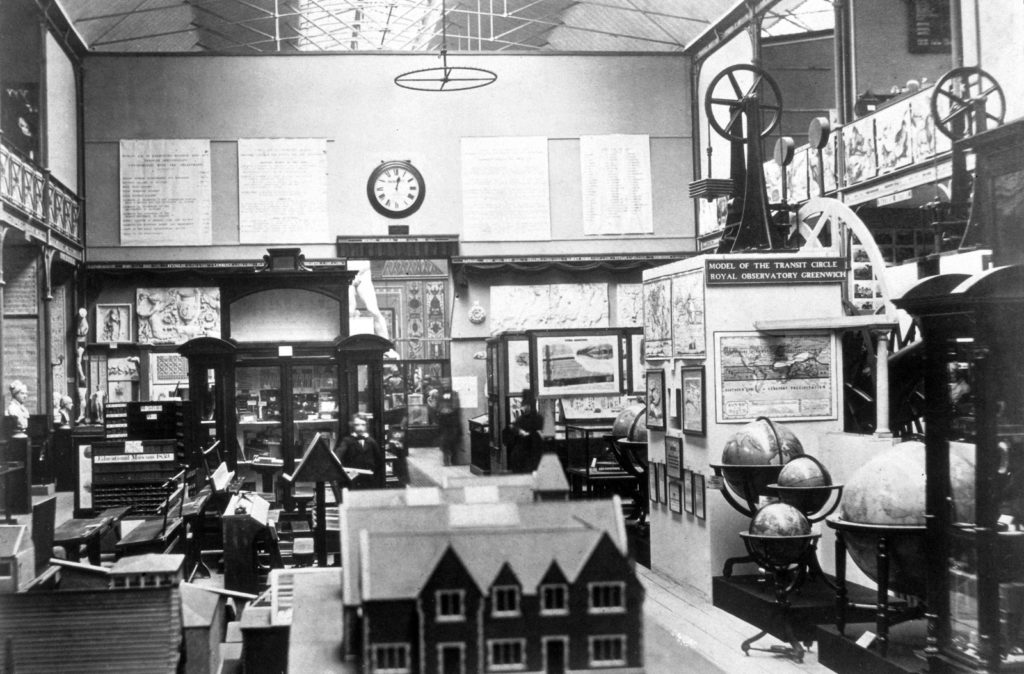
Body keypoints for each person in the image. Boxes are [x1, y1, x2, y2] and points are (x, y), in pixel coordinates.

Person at [336, 414, 384, 489]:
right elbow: (338, 456)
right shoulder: (347, 441)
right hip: (353, 478)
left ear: (367, 426)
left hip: (369, 479)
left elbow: (379, 461)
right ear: (352, 426)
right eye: (357, 425)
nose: (360, 428)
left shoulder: (371, 441)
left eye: (363, 425)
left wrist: (374, 475)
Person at [506, 389, 544, 474]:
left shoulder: (521, 419)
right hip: (533, 456)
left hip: (523, 457)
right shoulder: (539, 419)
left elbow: (512, 432)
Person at [435, 384, 461, 466]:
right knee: (444, 441)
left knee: (452, 440)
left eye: (447, 382)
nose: (445, 384)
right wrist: (442, 410)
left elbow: (456, 406)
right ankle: (446, 459)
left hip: (452, 421)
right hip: (443, 421)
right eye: (444, 382)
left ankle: (453, 460)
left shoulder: (454, 394)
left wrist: (448, 410)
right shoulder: (439, 394)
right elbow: (437, 406)